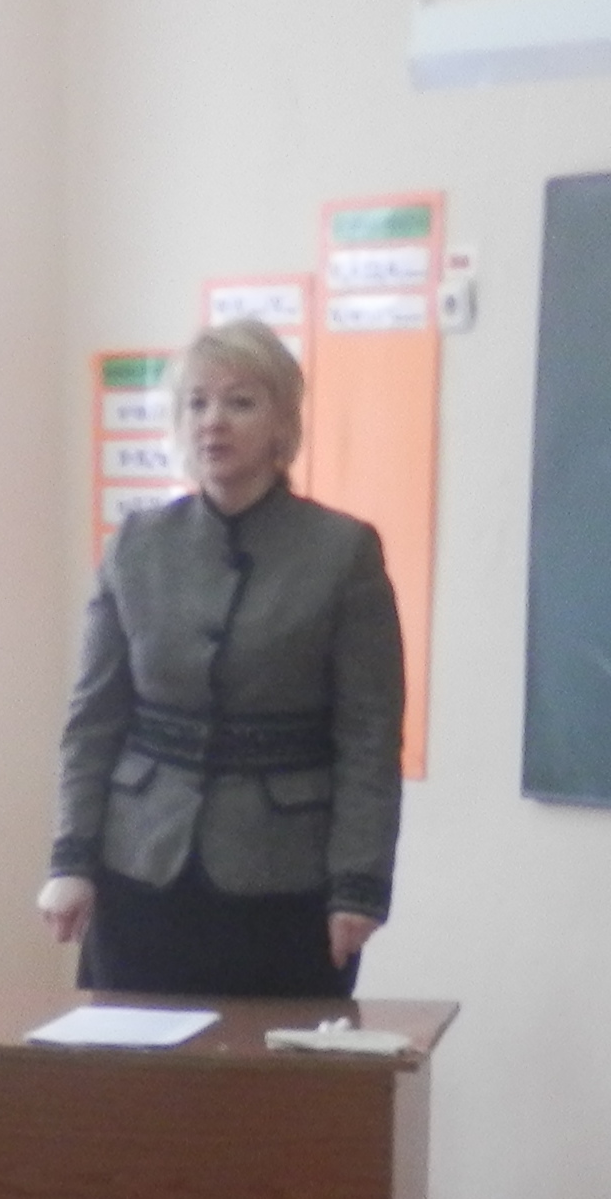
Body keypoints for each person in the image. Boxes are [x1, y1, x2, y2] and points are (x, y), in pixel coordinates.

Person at [42, 323, 402, 997]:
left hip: (285, 879)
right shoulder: (137, 546)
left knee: (274, 1063)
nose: (214, 421)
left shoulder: (341, 551)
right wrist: (71, 861)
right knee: (126, 1060)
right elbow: (92, 722)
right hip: (140, 868)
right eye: (197, 402)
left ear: (282, 423)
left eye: (241, 402)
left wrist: (358, 885)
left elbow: (369, 738)